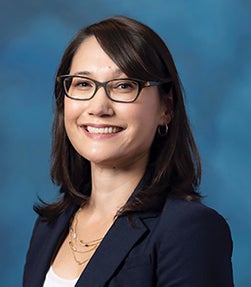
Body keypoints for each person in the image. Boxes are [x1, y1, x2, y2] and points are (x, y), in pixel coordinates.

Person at [23, 16, 234, 286]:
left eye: (124, 86)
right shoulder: (49, 226)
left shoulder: (189, 230)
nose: (99, 107)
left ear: (166, 108)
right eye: (83, 84)